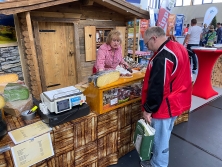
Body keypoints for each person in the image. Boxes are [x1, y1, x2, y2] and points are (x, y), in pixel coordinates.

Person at [141, 26, 192, 167]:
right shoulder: (178, 47)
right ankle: (157, 161)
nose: (148, 47)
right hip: (176, 101)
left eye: (147, 44)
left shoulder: (163, 56)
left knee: (161, 140)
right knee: (164, 136)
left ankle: (158, 164)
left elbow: (157, 87)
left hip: (165, 106)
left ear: (154, 38)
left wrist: (148, 109)